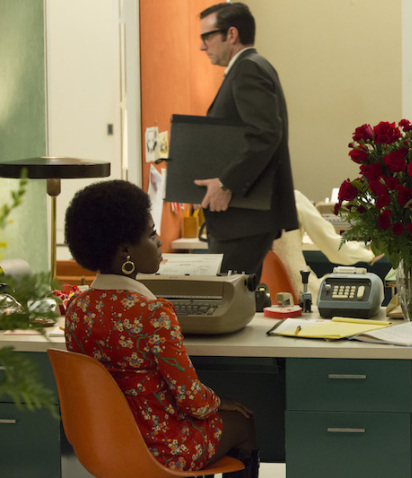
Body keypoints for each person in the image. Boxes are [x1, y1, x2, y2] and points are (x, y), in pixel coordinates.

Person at [63, 180, 259, 476]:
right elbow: (193, 401)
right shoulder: (153, 313)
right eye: (151, 234)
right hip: (164, 449)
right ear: (125, 250)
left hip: (104, 443)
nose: (159, 242)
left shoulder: (77, 309)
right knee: (245, 422)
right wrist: (218, 402)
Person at [194, 2, 298, 279]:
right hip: (244, 218)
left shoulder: (248, 68)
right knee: (238, 297)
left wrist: (226, 183)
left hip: (243, 219)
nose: (202, 46)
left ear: (231, 34)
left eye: (207, 37)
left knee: (225, 298)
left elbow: (265, 134)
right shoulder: (252, 67)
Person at [272, 190, 382, 302]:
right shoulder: (294, 198)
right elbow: (334, 248)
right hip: (299, 291)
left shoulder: (260, 203)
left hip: (265, 295)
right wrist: (368, 254)